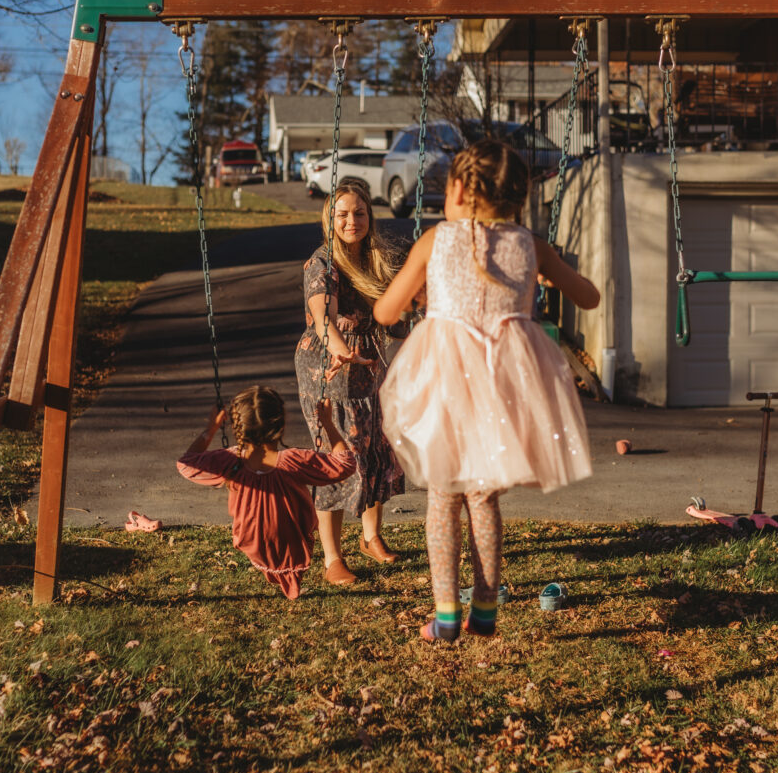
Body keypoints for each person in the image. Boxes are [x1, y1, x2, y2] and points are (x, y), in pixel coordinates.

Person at [373, 139, 600, 641]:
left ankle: (446, 612)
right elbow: (589, 296)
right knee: (484, 498)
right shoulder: (530, 245)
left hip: (445, 384)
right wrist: (549, 271)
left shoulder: (435, 242)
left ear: (456, 188)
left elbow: (385, 313)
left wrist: (423, 301)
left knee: (442, 498)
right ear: (517, 197)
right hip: (504, 386)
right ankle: (487, 607)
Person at [295, 179, 406, 586]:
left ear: (369, 217)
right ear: (329, 219)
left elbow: (395, 313)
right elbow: (323, 316)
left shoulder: (376, 259)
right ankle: (331, 558)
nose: (351, 221)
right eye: (342, 214)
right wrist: (341, 350)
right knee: (337, 459)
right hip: (329, 368)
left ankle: (371, 536)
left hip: (370, 366)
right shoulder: (322, 263)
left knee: (376, 447)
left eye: (359, 212)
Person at [176, 386, 355, 600]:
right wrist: (328, 424)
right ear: (280, 426)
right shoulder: (294, 461)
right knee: (297, 525)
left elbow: (186, 464)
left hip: (252, 541)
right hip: (293, 541)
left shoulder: (231, 462)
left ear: (238, 427)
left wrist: (211, 428)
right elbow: (345, 463)